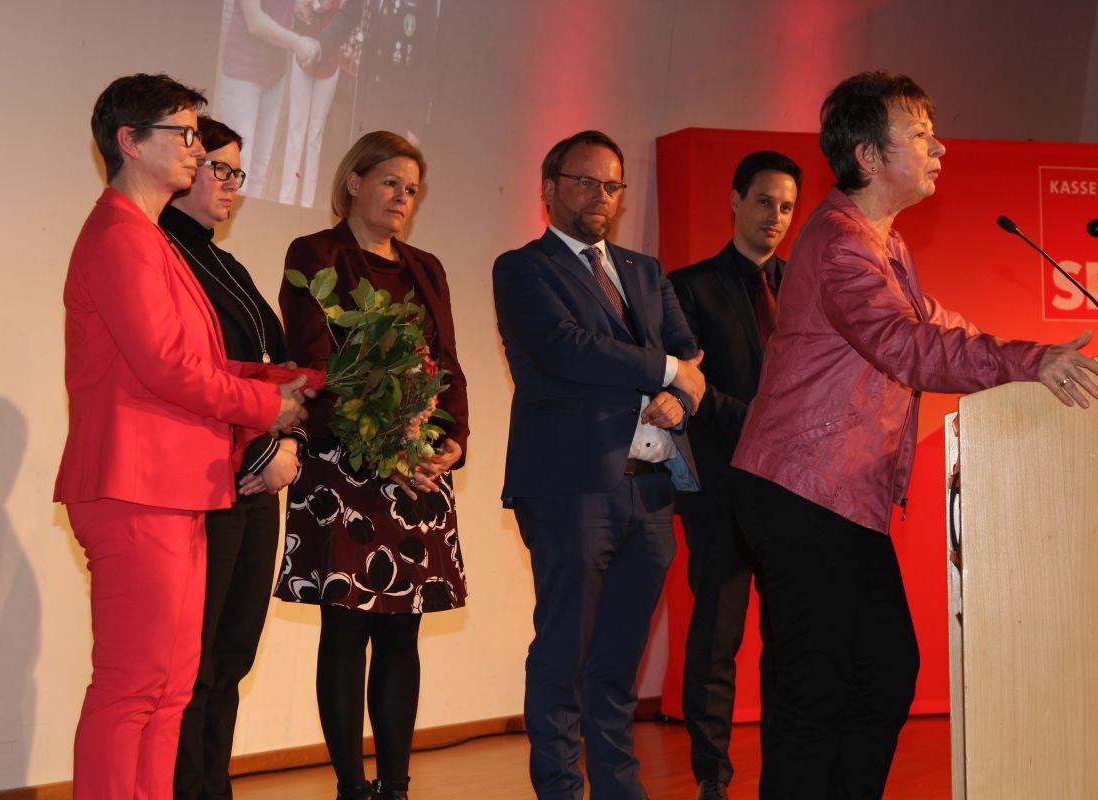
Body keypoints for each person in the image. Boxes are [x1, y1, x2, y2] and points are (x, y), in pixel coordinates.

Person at [729, 71, 1098, 799]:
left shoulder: (883, 243)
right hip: (802, 487)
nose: (941, 148)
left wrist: (1033, 355)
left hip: (838, 496)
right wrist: (1027, 363)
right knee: (817, 689)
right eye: (921, 135)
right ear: (869, 156)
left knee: (882, 673)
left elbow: (938, 325)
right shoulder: (842, 244)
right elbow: (906, 345)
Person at [54, 73, 308, 800]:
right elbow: (167, 367)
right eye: (185, 134)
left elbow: (199, 360)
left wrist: (285, 386)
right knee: (133, 686)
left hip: (176, 486)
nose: (198, 149)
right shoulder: (119, 236)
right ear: (130, 142)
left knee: (170, 688)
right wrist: (265, 405)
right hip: (133, 486)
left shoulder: (153, 241)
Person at [493, 130, 706, 800]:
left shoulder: (644, 269)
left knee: (617, 666)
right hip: (571, 488)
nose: (600, 196)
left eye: (612, 185)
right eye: (584, 181)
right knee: (564, 654)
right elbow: (567, 349)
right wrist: (669, 373)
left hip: (651, 489)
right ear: (548, 188)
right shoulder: (522, 269)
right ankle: (560, 790)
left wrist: (679, 397)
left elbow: (689, 356)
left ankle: (619, 790)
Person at [274, 131, 470, 800]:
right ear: (354, 182)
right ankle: (352, 789)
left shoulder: (426, 267)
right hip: (345, 464)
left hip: (417, 471)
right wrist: (389, 443)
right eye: (390, 182)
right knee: (346, 628)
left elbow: (447, 365)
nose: (401, 198)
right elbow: (314, 362)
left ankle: (396, 786)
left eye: (411, 189)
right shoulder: (316, 255)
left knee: (402, 631)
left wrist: (453, 442)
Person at [159, 116, 305, 800]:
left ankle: (214, 786)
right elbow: (189, 375)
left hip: (257, 481)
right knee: (193, 662)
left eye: (236, 173)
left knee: (233, 652)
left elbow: (281, 369)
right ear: (184, 168)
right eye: (219, 168)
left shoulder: (230, 266)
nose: (230, 185)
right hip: (206, 482)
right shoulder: (164, 255)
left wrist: (288, 442)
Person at [669, 151, 802, 800]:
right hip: (721, 488)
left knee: (790, 642)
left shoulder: (808, 289)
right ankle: (711, 778)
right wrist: (761, 424)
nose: (775, 216)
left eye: (787, 206)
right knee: (717, 640)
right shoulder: (688, 288)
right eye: (764, 201)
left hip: (796, 491)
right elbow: (687, 386)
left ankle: (784, 772)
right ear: (735, 200)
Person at [219, 0, 322, 199]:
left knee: (259, 169)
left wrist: (298, 7)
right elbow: (255, 22)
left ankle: (251, 216)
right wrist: (297, 42)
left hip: (273, 76)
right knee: (238, 164)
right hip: (242, 74)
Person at [278, 0, 362, 208]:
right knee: (296, 129)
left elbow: (345, 14)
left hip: (329, 60)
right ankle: (286, 197)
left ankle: (307, 201)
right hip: (303, 52)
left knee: (316, 134)